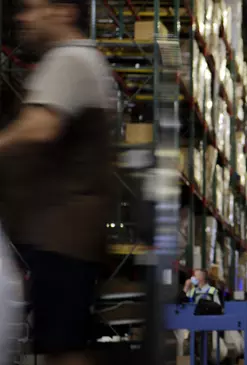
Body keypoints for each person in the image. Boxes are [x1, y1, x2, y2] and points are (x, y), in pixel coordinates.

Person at [0, 0, 114, 364]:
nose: (23, 17)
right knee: (62, 345)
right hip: (65, 234)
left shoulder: (68, 59)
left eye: (33, 8)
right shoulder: (84, 59)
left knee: (61, 349)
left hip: (61, 234)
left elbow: (39, 127)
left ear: (64, 11)